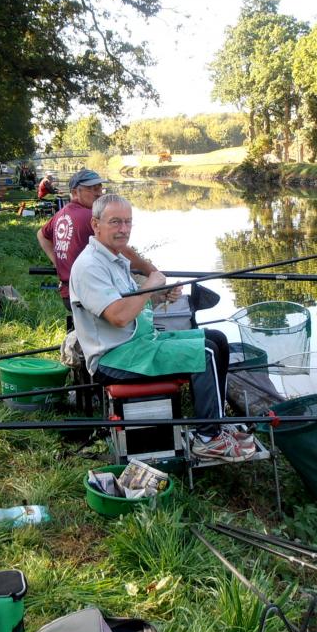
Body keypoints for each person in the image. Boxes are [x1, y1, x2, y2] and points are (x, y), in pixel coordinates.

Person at [69, 194, 254, 463]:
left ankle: (216, 423)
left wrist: (159, 295)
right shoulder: (89, 267)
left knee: (217, 340)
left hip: (140, 345)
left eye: (128, 222)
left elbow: (131, 304)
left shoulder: (113, 257)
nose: (123, 229)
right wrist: (150, 284)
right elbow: (119, 316)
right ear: (96, 224)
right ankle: (207, 439)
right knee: (205, 353)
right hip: (115, 359)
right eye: (115, 222)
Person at [37, 169, 157, 317]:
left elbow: (41, 235)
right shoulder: (89, 216)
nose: (98, 193)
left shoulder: (61, 213)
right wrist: (152, 272)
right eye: (91, 189)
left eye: (99, 187)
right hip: (88, 294)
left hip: (69, 292)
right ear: (75, 193)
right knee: (144, 304)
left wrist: (57, 262)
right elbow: (125, 252)